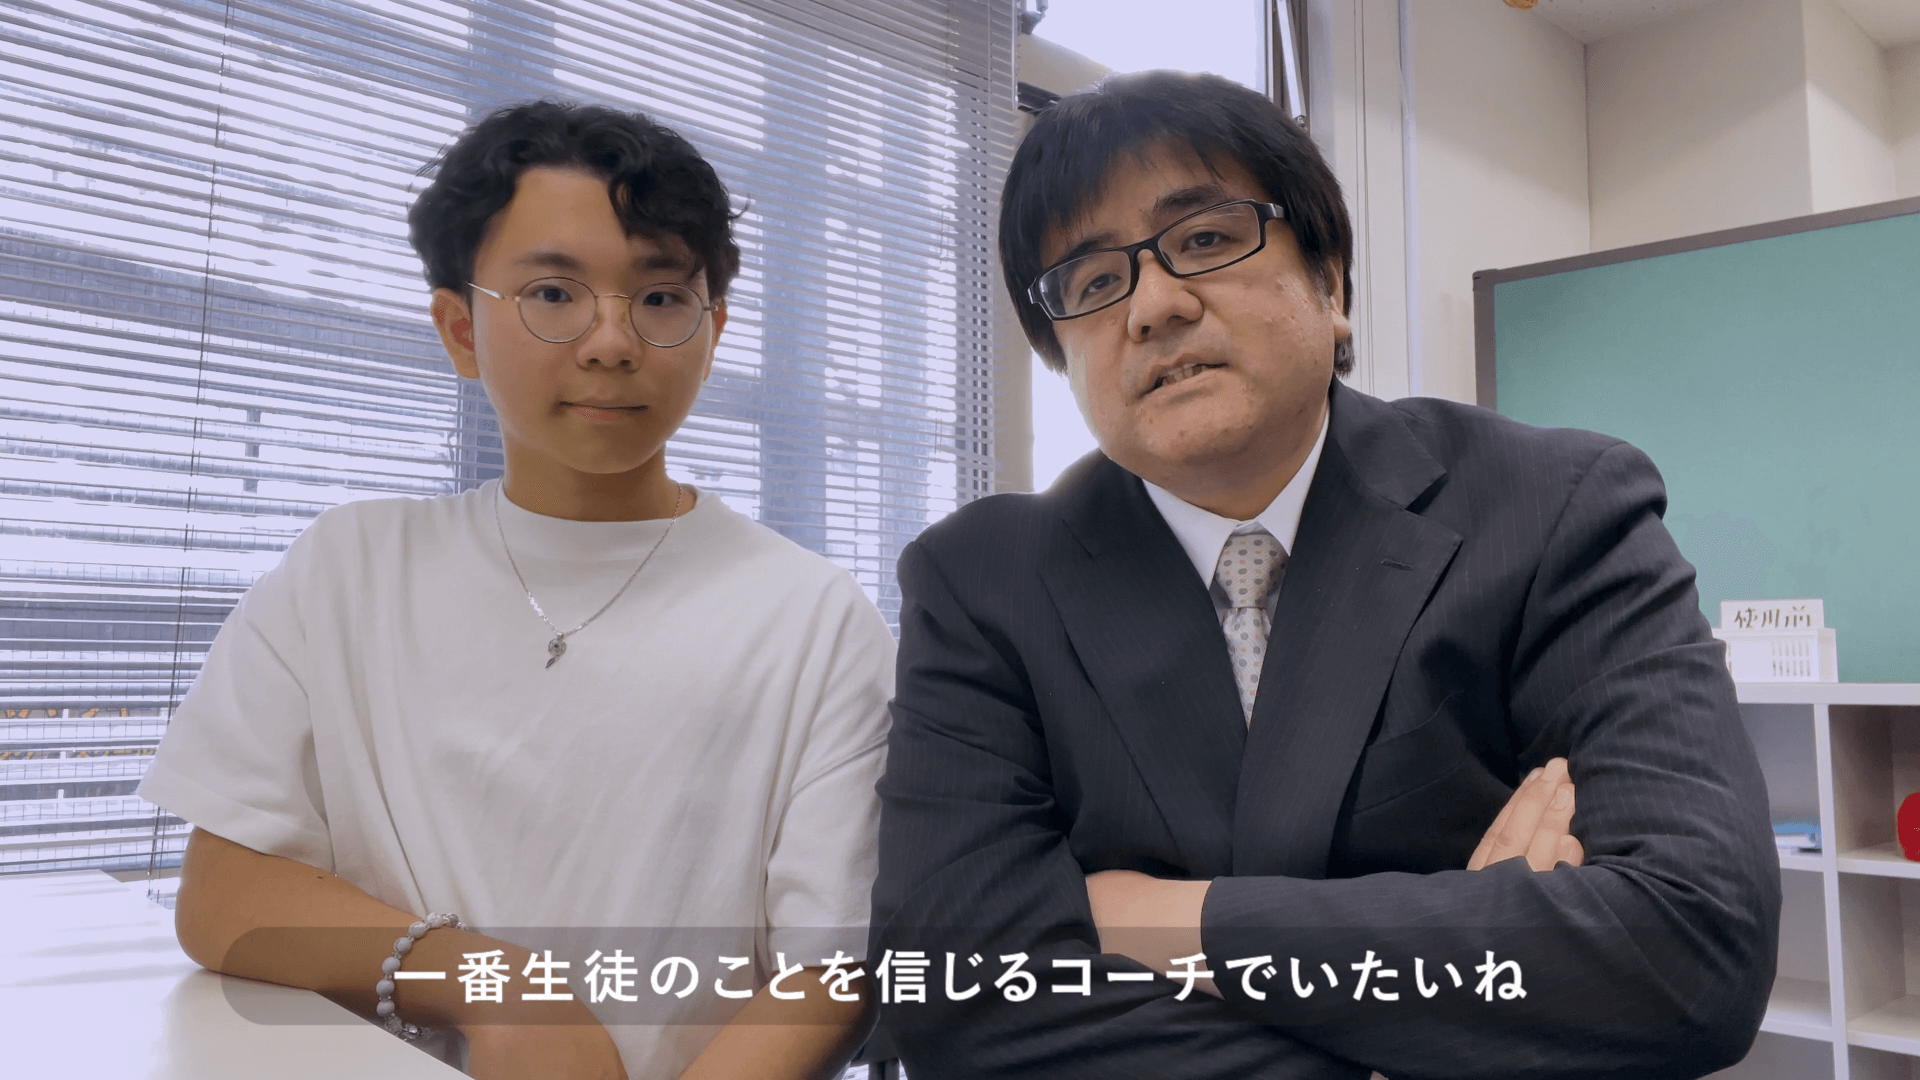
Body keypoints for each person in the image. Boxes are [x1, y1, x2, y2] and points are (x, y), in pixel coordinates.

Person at [870, 71, 1778, 1079]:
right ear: (1064, 358)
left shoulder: (1555, 508)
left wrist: (1162, 922)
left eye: (1204, 239)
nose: (1154, 306)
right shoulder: (981, 583)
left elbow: (1692, 945)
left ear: (1331, 287)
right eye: (1091, 285)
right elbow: (950, 1001)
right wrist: (1432, 1029)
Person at [140, 101, 892, 1080]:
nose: (612, 340)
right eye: (553, 293)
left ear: (712, 331)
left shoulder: (817, 621)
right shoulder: (346, 570)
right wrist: (496, 986)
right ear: (461, 329)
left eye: (661, 298)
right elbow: (224, 899)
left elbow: (828, 975)